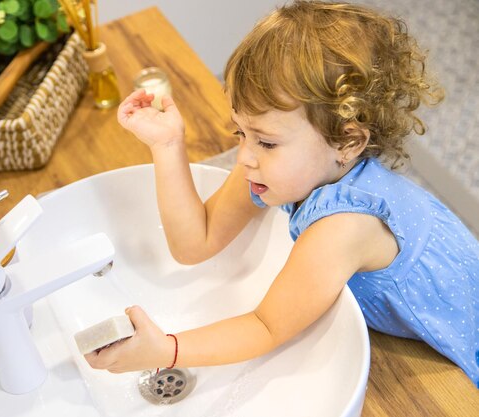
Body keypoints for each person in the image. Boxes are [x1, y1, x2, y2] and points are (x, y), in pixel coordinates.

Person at [84, 0, 479, 387]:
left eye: (267, 142)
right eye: (241, 132)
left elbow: (266, 326)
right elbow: (195, 242)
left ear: (347, 142)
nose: (245, 157)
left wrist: (165, 350)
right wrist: (168, 146)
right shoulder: (273, 168)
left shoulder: (343, 227)